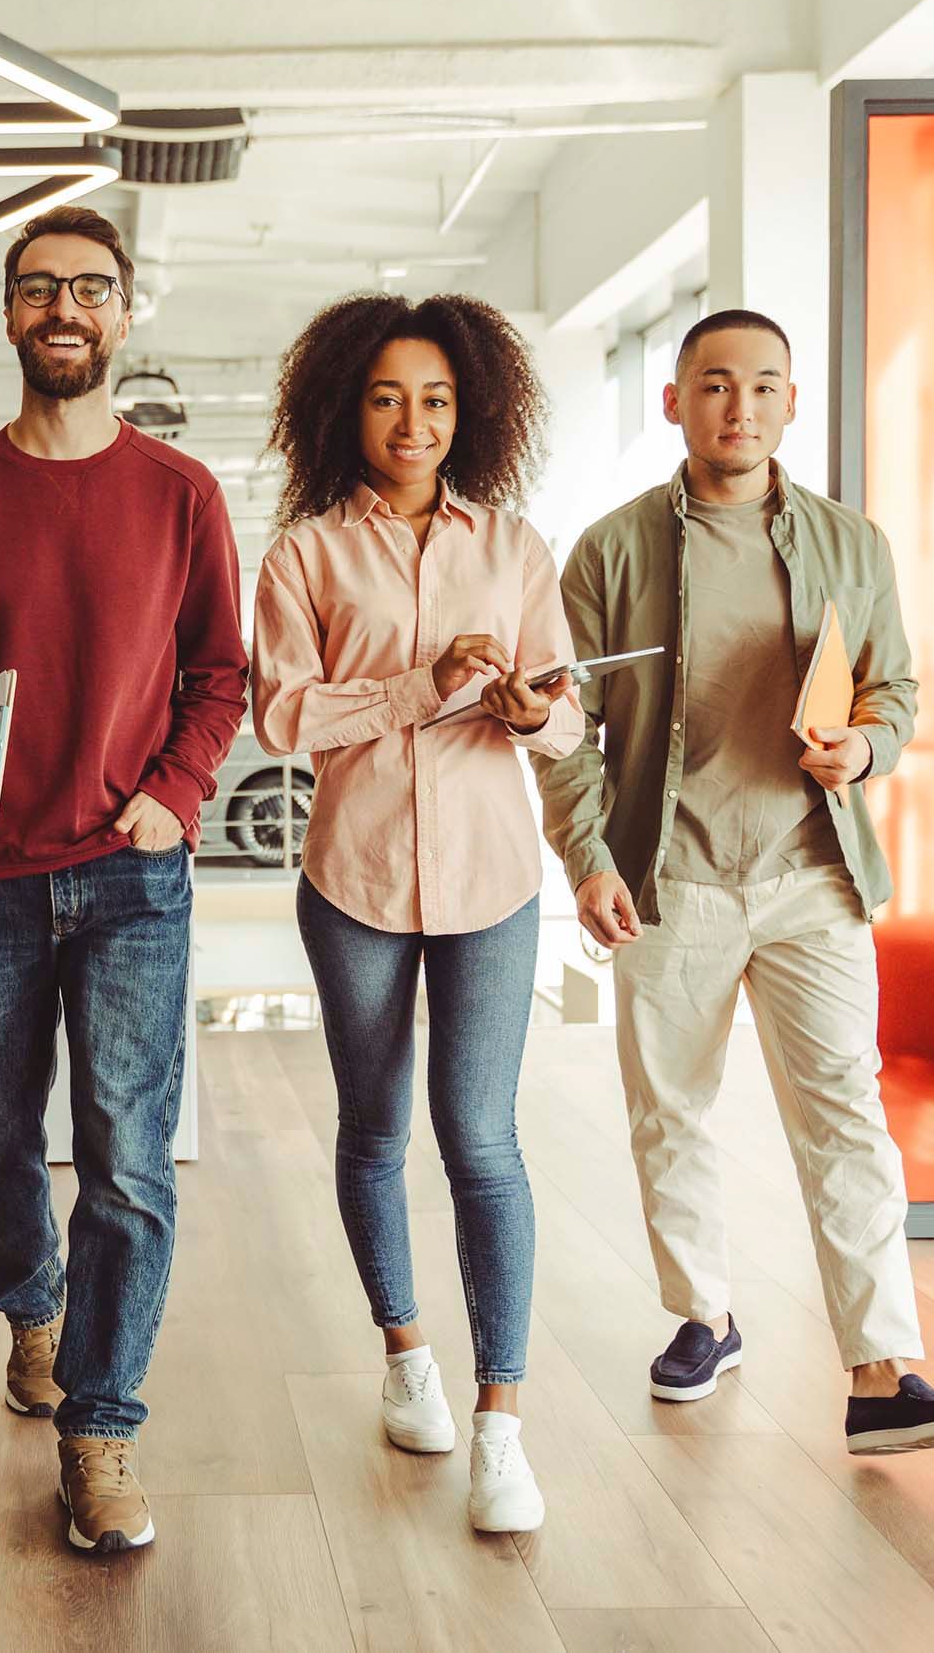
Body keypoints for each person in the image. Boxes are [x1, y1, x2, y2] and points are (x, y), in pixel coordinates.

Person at [535, 308, 934, 1454]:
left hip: (812, 873)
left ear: (791, 401)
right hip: (670, 876)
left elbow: (890, 689)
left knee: (846, 1115)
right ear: (674, 403)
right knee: (672, 1114)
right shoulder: (609, 549)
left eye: (760, 385)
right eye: (712, 384)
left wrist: (865, 747)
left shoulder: (854, 544)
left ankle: (883, 1370)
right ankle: (703, 1316)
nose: (736, 406)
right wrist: (588, 858)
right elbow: (564, 728)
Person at [0, 206, 246, 1553]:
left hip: (135, 873)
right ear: (9, 314)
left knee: (132, 1158)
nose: (63, 307)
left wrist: (177, 790)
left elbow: (219, 673)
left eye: (88, 286)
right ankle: (35, 1300)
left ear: (126, 312)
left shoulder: (183, 493)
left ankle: (103, 1429)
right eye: (37, 288)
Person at [251, 292, 579, 1532]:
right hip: (359, 881)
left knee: (481, 1138)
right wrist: (417, 685)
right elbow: (281, 717)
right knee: (375, 1129)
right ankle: (405, 1353)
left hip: (493, 875)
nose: (413, 419)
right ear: (349, 406)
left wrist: (530, 705)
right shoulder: (304, 555)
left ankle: (503, 1419)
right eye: (388, 395)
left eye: (436, 398)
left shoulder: (514, 544)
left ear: (470, 411)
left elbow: (568, 716)